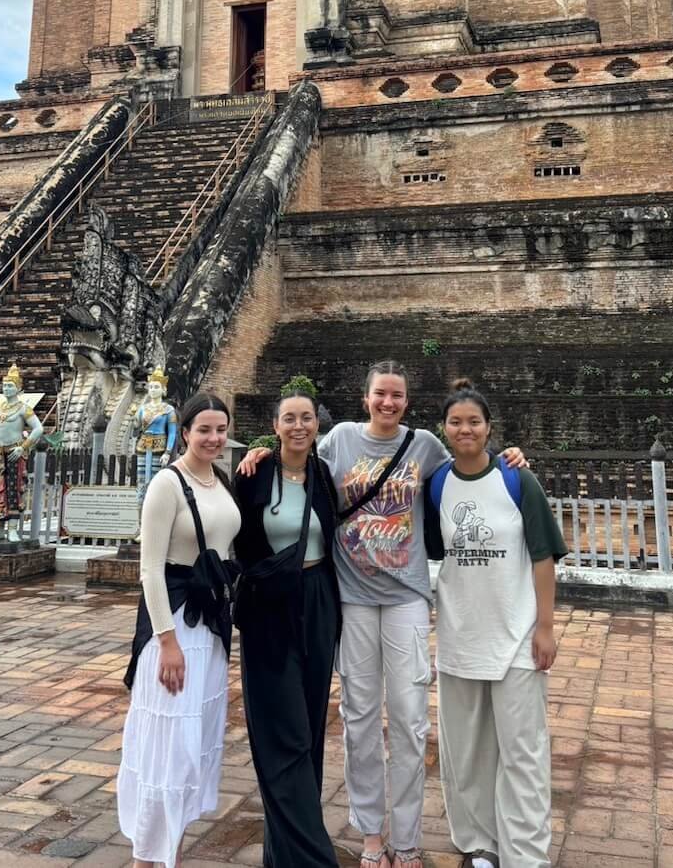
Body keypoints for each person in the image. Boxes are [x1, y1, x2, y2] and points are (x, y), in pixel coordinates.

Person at [239, 360, 526, 868]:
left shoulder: (424, 447)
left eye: (397, 395)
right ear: (365, 397)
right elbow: (297, 456)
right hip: (351, 597)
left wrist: (513, 460)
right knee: (360, 719)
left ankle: (408, 837)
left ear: (406, 402)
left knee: (411, 720)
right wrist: (263, 451)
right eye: (380, 394)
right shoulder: (342, 440)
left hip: (406, 597)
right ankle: (371, 834)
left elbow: (470, 461)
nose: (388, 403)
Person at [425, 379, 567, 868]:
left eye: (474, 422)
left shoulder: (516, 479)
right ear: (443, 428)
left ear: (488, 428)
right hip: (461, 635)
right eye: (456, 422)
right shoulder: (437, 484)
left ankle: (526, 855)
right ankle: (480, 845)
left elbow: (544, 556)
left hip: (518, 636)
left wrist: (545, 627)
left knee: (523, 753)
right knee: (466, 752)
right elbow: (428, 551)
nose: (465, 430)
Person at [118, 392, 241, 868]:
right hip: (173, 627)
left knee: (192, 748)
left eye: (220, 429)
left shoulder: (221, 480)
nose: (214, 438)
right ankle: (146, 860)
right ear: (184, 431)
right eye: (204, 429)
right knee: (165, 748)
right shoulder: (167, 485)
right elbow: (149, 571)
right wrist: (167, 642)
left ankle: (171, 851)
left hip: (210, 628)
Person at [233, 387, 341, 868]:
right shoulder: (254, 475)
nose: (299, 426)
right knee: (284, 732)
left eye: (307, 418)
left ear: (317, 425)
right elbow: (232, 538)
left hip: (318, 600)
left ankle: (284, 856)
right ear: (274, 426)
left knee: (311, 726)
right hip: (269, 608)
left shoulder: (322, 475)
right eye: (289, 418)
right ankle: (315, 858)